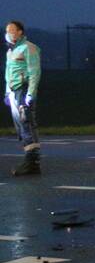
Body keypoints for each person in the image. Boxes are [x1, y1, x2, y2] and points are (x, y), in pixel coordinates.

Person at [4, 21, 42, 175]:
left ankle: (32, 161)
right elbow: (8, 74)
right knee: (20, 125)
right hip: (14, 91)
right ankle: (30, 160)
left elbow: (34, 72)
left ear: (20, 32)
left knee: (27, 122)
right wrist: (7, 92)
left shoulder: (28, 47)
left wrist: (31, 93)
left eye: (12, 30)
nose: (8, 32)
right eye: (7, 30)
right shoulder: (10, 51)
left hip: (23, 89)